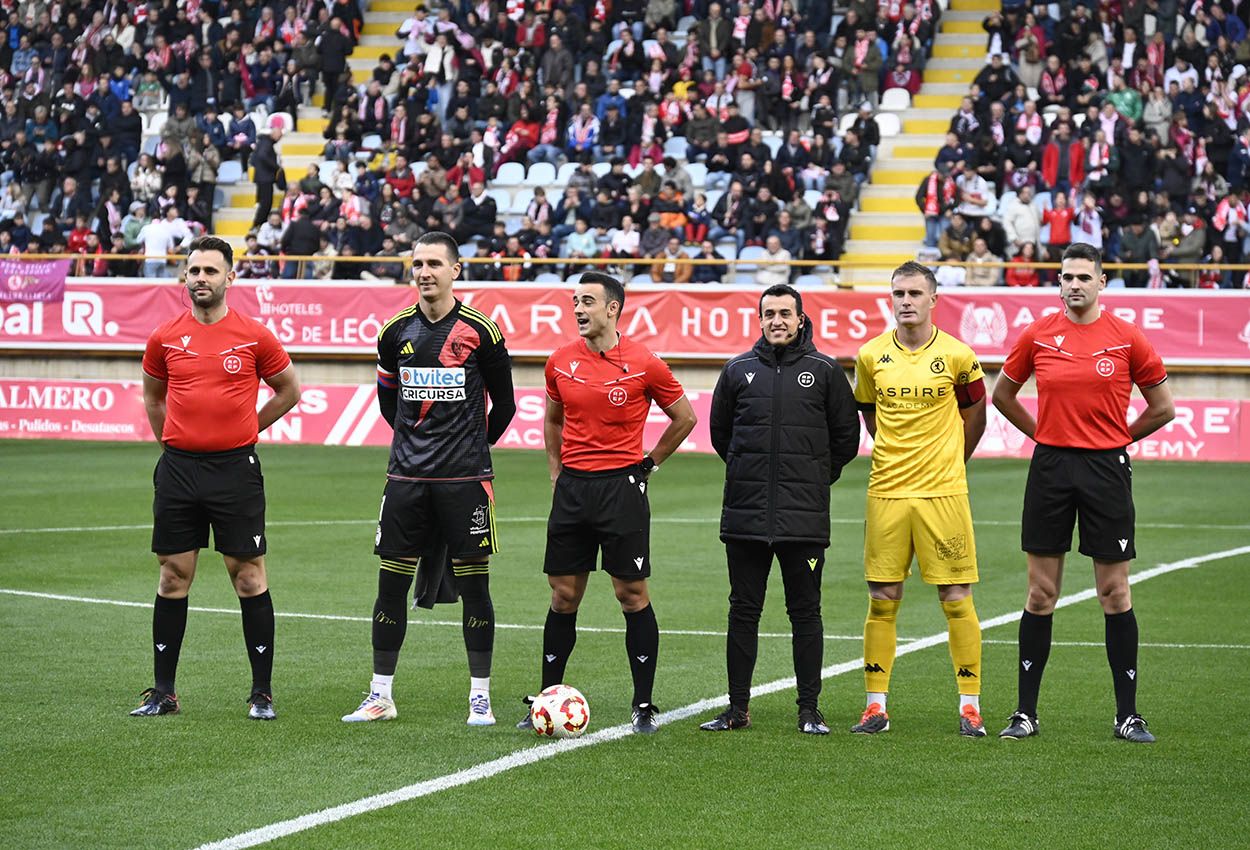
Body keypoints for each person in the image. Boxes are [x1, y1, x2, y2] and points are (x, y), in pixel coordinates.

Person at [992, 244, 1175, 744]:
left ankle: (1127, 715)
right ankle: (1025, 713)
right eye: (1066, 277)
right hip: (1050, 467)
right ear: (1059, 282)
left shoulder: (1126, 337)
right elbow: (1002, 395)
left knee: (1114, 593)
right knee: (1040, 593)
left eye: (1083, 277)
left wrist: (1117, 440)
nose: (1074, 285)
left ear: (1101, 282)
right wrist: (1043, 434)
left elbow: (1163, 407)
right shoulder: (1038, 334)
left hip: (1106, 469)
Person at [342, 231, 516, 726]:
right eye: (417, 263)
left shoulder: (483, 331)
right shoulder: (394, 332)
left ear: (455, 271)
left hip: (465, 481)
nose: (424, 271)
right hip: (406, 479)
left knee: (476, 588)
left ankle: (478, 697)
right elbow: (388, 405)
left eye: (435, 263)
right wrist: (416, 448)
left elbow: (504, 405)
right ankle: (380, 695)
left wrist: (472, 449)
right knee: (389, 585)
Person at [519, 271, 697, 734]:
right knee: (563, 595)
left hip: (622, 490)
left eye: (588, 302)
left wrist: (648, 465)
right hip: (574, 490)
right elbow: (553, 421)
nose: (578, 309)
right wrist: (556, 472)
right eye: (575, 301)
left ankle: (643, 704)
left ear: (613, 308)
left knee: (631, 594)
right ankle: (545, 699)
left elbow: (684, 418)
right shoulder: (559, 361)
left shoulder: (644, 363)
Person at [132, 236, 301, 720]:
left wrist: (248, 429)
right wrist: (171, 445)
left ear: (230, 277)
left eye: (210, 270)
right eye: (194, 271)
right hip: (179, 472)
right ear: (184, 278)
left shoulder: (254, 335)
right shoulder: (164, 336)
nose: (200, 278)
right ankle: (163, 692)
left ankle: (261, 693)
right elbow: (153, 398)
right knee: (172, 576)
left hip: (235, 471)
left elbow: (289, 390)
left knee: (247, 577)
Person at [699, 284, 859, 735]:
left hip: (803, 519)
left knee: (805, 612)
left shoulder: (825, 370)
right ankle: (737, 709)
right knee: (742, 611)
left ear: (801, 318)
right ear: (760, 319)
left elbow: (846, 439)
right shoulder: (737, 370)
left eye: (786, 313)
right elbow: (721, 437)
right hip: (746, 518)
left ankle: (809, 709)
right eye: (769, 314)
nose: (777, 321)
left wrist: (812, 478)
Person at [850, 261, 989, 737]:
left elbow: (976, 415)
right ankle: (875, 707)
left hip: (943, 493)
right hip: (887, 490)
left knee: (955, 598)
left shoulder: (958, 355)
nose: (905, 301)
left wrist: (952, 462)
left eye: (914, 293)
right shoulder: (870, 356)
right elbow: (870, 416)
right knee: (882, 598)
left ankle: (970, 706)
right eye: (898, 293)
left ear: (934, 299)